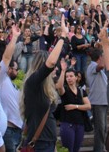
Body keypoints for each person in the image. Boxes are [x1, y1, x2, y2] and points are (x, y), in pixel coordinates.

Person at [21, 14, 68, 152]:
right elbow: (52, 62)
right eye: (52, 69)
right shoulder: (33, 82)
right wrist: (63, 37)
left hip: (48, 142)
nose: (55, 69)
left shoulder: (46, 87)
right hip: (39, 143)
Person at [0, 24, 22, 152]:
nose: (17, 72)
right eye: (16, 69)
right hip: (7, 130)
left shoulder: (13, 85)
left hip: (18, 130)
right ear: (9, 69)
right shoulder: (1, 78)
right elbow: (6, 57)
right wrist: (14, 37)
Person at [56, 61, 91, 152]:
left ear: (76, 78)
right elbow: (59, 86)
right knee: (68, 149)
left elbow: (88, 106)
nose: (69, 78)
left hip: (80, 123)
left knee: (76, 149)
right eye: (67, 77)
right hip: (67, 123)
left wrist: (75, 106)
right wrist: (63, 71)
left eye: (71, 76)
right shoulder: (65, 90)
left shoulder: (81, 91)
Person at [85, 47, 108, 152]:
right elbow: (102, 65)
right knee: (100, 129)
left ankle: (101, 148)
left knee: (103, 129)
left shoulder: (99, 69)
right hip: (97, 102)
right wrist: (105, 52)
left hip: (103, 101)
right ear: (100, 57)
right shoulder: (92, 66)